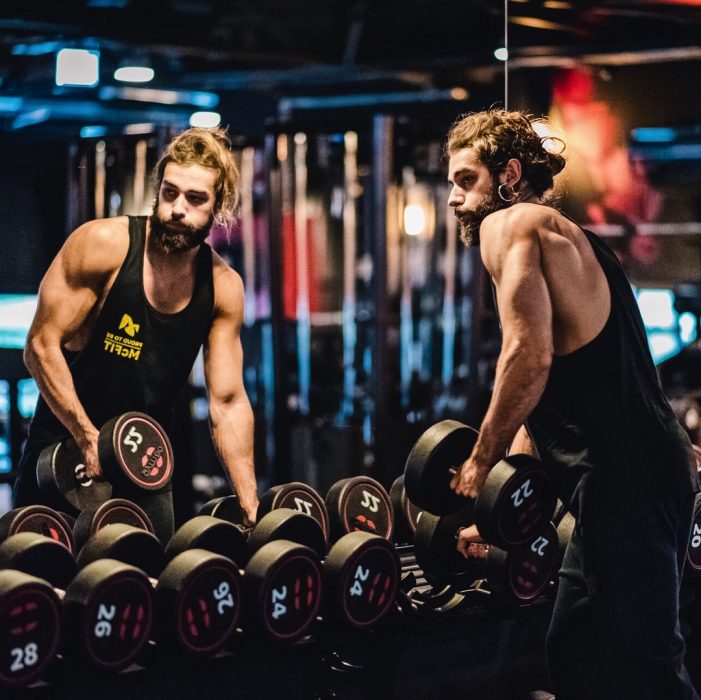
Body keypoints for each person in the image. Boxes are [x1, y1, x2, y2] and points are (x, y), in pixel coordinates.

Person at [445, 109, 700, 699]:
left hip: (626, 482)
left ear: (508, 174)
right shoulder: (576, 239)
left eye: (465, 180)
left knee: (646, 668)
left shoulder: (510, 226)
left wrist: (479, 465)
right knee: (578, 650)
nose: (453, 198)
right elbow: (558, 383)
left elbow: (526, 358)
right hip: (631, 478)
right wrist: (502, 502)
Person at [14, 126, 258, 543]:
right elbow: (40, 346)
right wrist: (87, 436)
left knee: (145, 593)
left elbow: (228, 402)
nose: (178, 208)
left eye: (195, 199)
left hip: (143, 466)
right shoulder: (101, 246)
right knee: (40, 591)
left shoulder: (223, 287)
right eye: (170, 192)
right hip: (64, 459)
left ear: (219, 206)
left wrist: (251, 504)